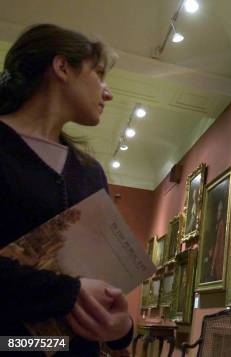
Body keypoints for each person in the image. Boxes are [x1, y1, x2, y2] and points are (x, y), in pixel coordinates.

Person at [0, 24, 133, 355]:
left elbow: (103, 281)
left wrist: (121, 328)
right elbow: (75, 289)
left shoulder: (90, 173)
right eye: (99, 74)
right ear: (62, 68)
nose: (108, 93)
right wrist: (67, 292)